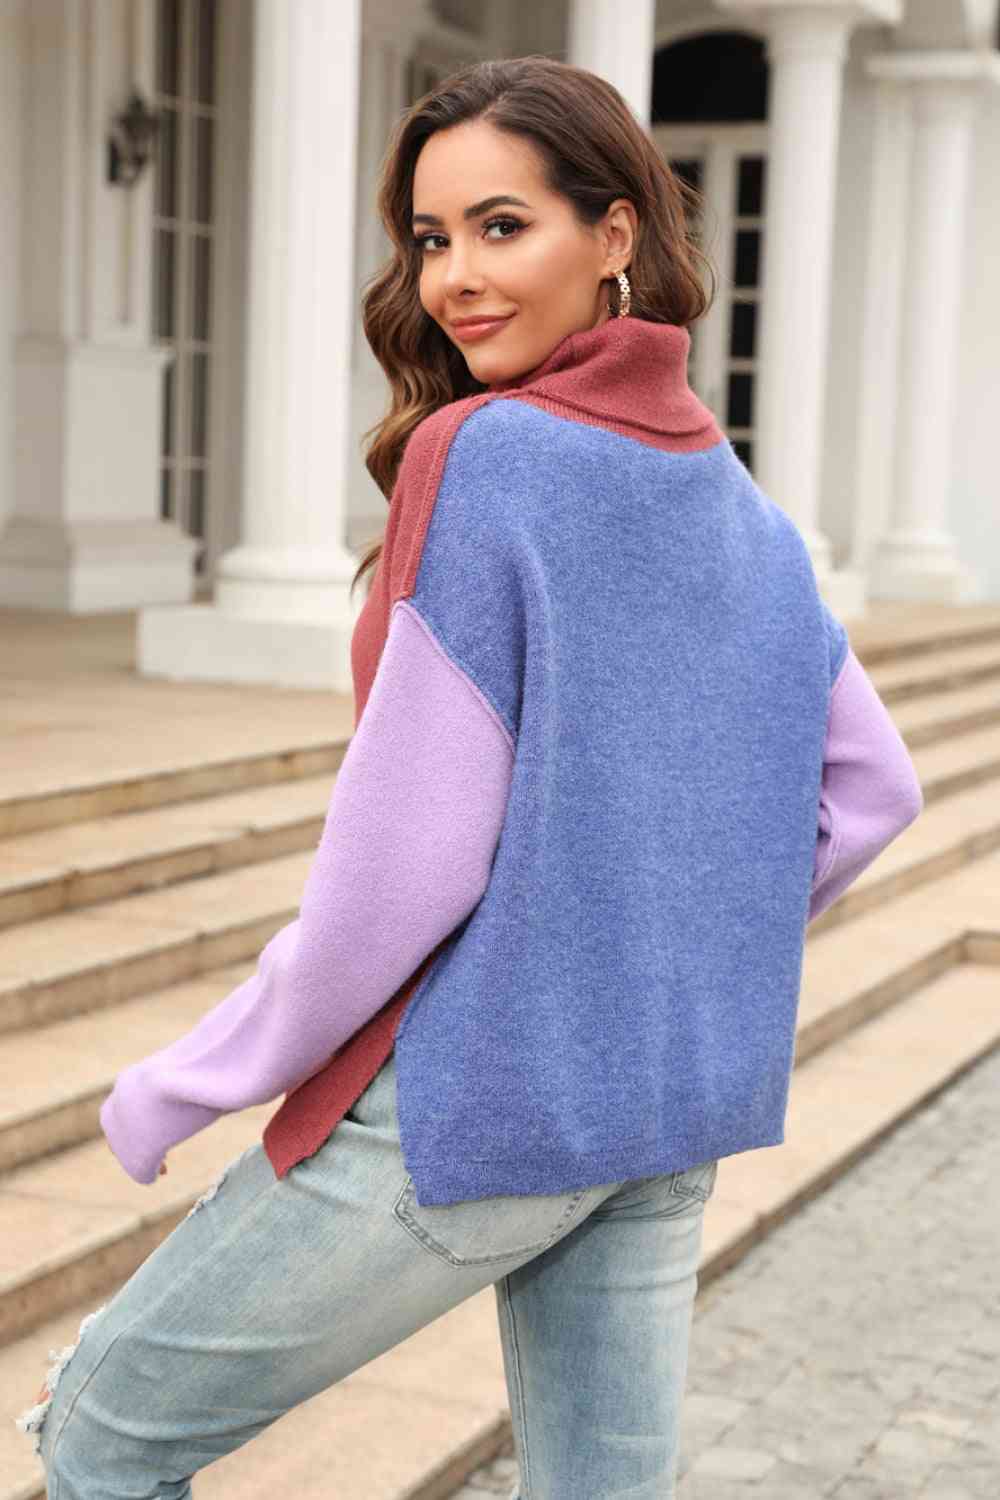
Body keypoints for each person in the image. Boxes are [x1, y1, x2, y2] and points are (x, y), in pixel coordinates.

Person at [16, 54, 923, 1499]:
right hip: (660, 1111)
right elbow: (873, 793)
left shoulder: (488, 457)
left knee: (105, 1436)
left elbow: (404, 869)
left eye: (503, 226)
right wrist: (661, 956)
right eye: (432, 239)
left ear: (615, 233)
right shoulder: (741, 506)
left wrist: (205, 1072)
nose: (454, 278)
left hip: (473, 1103)